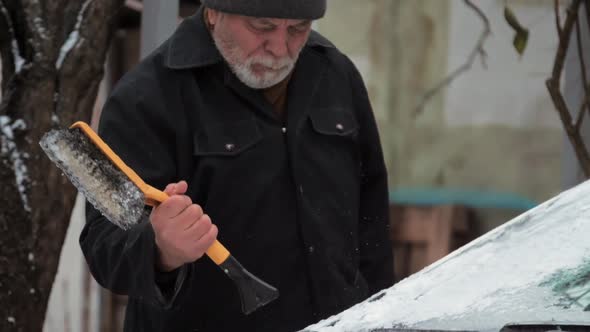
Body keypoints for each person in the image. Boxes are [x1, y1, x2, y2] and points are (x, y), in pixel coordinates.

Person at [80, 0, 393, 331]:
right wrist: (159, 249)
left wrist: (384, 314)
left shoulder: (335, 74)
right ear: (214, 12)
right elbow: (104, 245)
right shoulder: (147, 97)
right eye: (263, 28)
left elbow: (371, 220)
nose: (280, 48)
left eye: (299, 29)